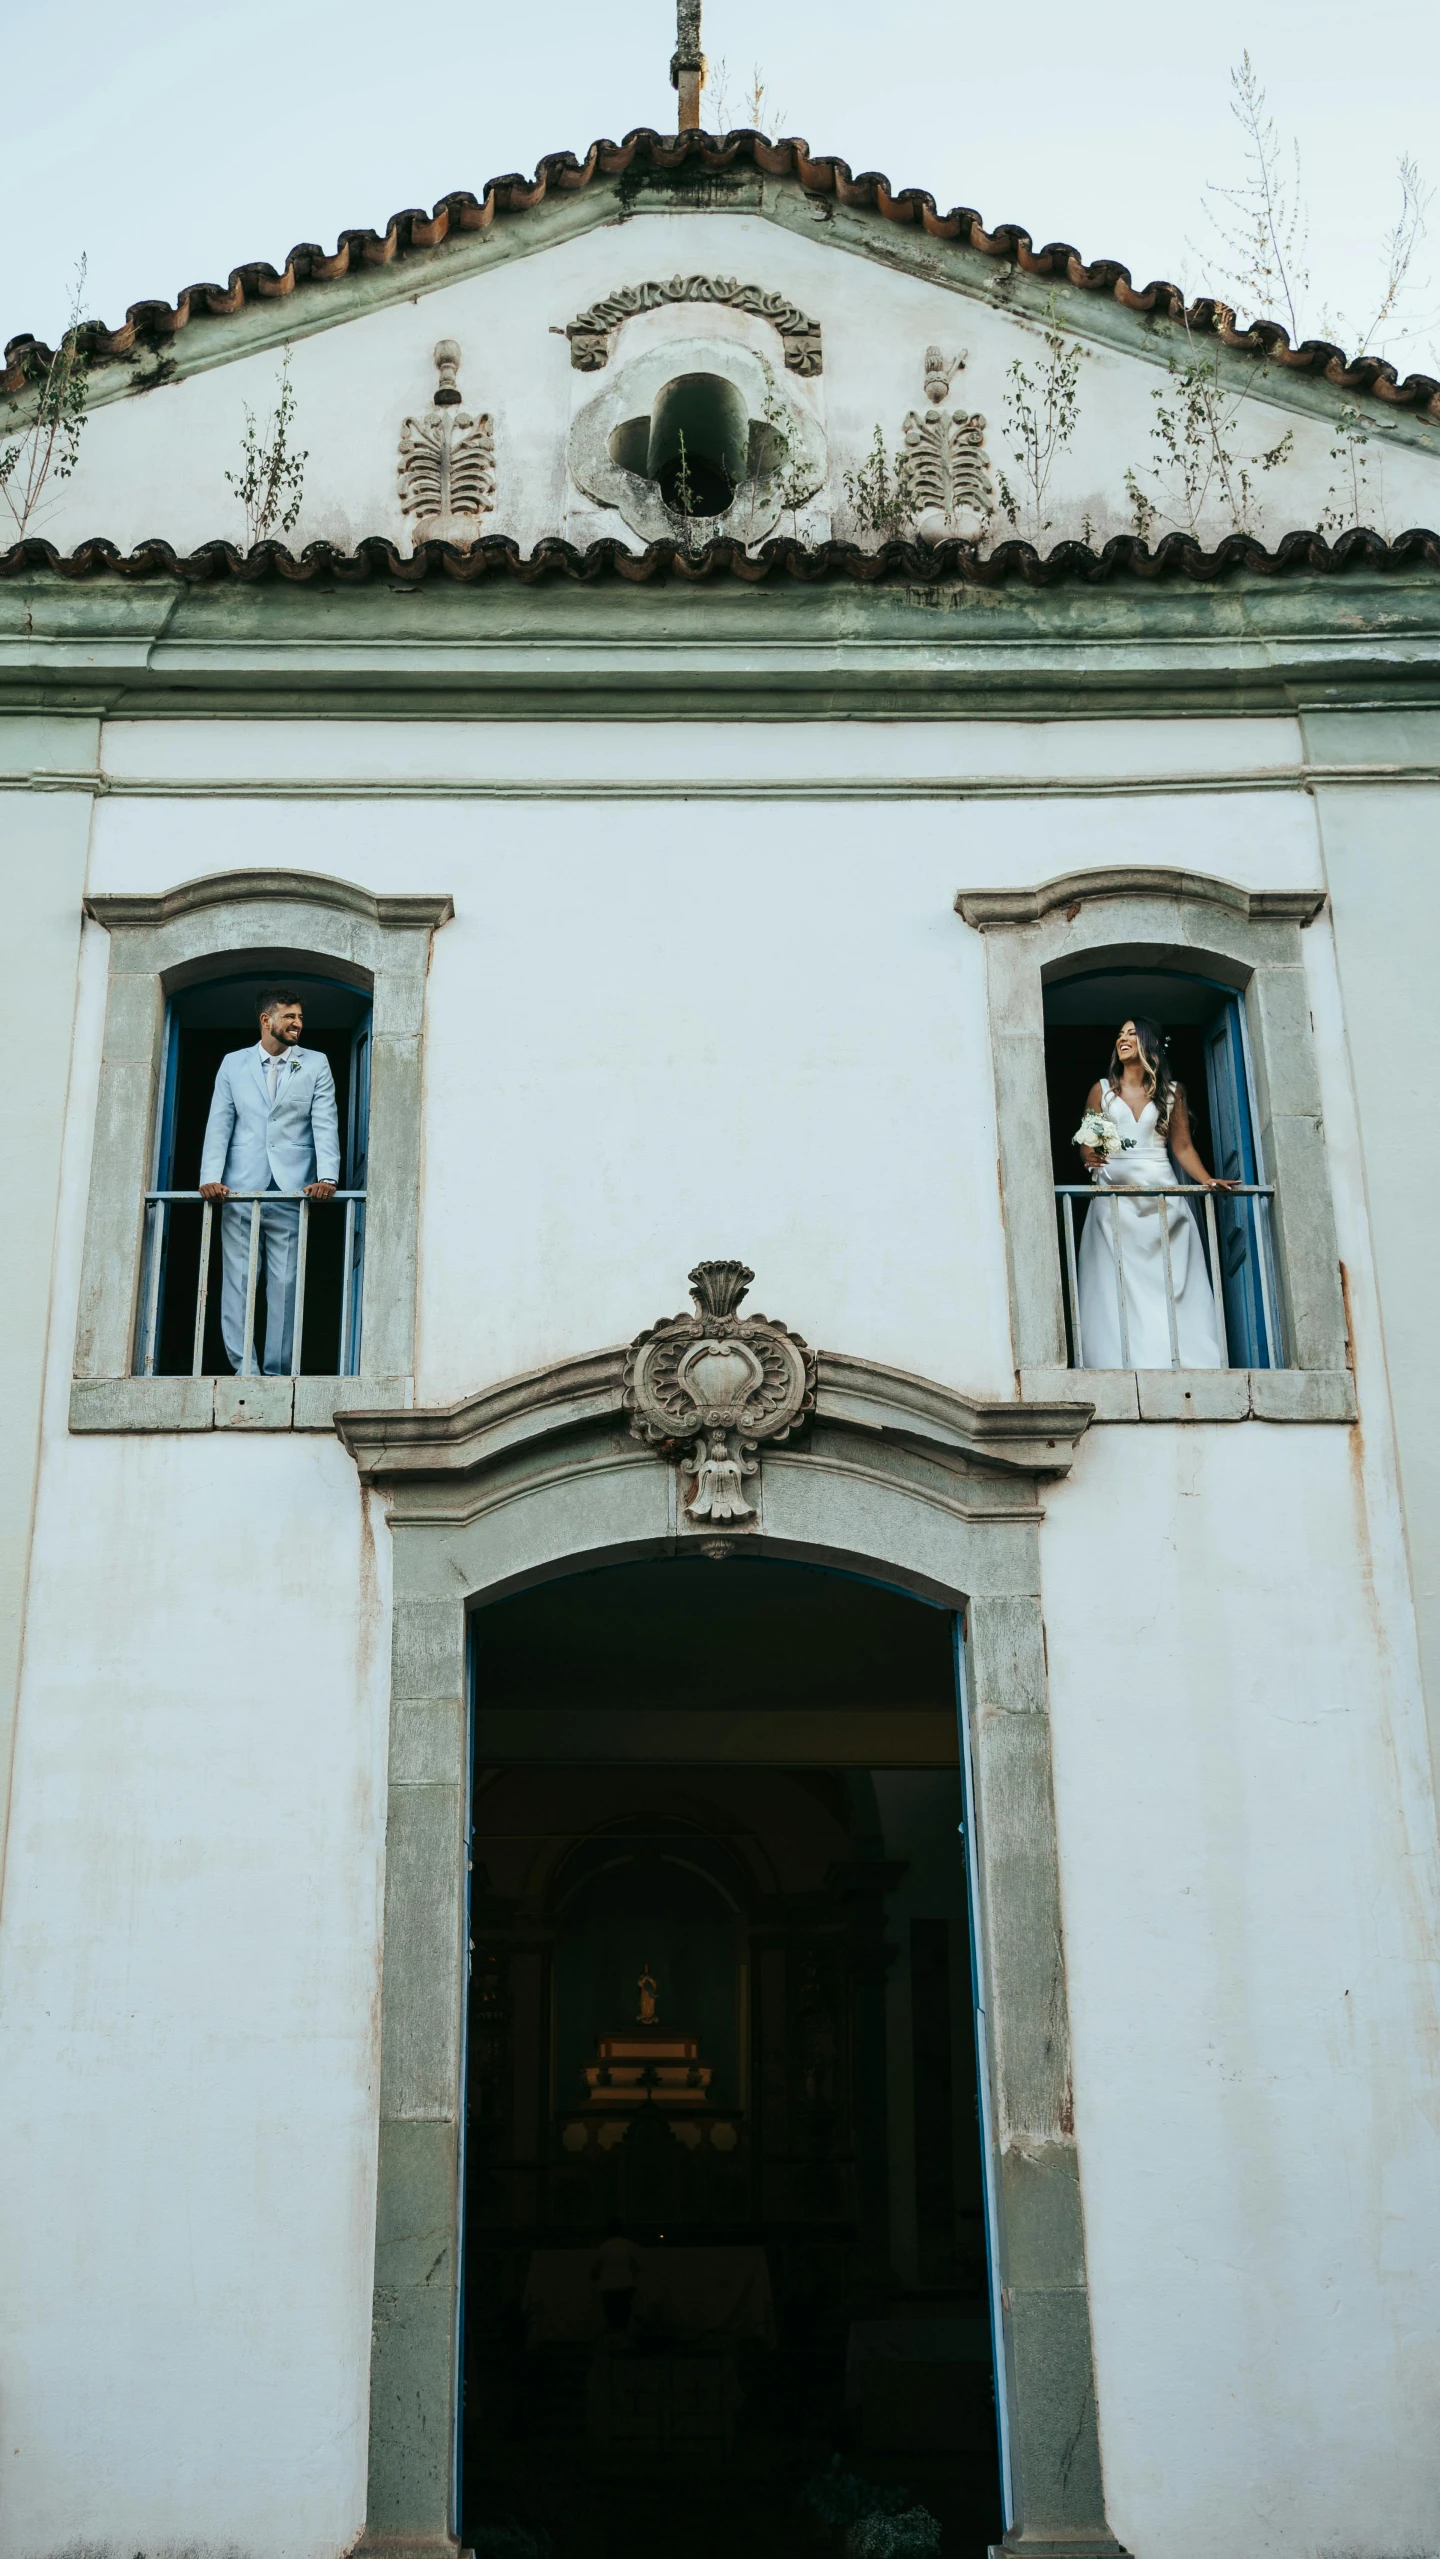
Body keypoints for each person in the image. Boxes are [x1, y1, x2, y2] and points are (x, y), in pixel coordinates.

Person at [1074, 1016, 1230, 1369]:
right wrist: (1090, 1156)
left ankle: (1184, 1357)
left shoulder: (1173, 1092)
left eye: (1131, 1033)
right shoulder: (1102, 1091)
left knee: (1168, 1283)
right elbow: (1087, 1141)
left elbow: (1183, 1147)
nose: (1123, 1039)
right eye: (1120, 1035)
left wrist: (1207, 1179)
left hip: (1162, 1194)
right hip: (1114, 1199)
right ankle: (1117, 1360)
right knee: (1116, 1285)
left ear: (1150, 1043)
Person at [199, 988, 340, 1376]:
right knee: (239, 1280)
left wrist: (326, 1176)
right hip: (239, 1189)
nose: (298, 1024)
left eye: (300, 1018)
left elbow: (324, 1120)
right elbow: (220, 1121)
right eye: (290, 1017)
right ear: (266, 1020)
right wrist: (211, 1177)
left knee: (285, 1282)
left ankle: (277, 1369)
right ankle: (244, 1366)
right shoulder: (233, 1063)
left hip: (291, 1189)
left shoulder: (316, 1064)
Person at [590, 2218, 642, 2335]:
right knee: (624, 2317)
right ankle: (623, 2340)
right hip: (627, 2285)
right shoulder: (629, 2245)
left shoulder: (604, 2247)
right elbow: (638, 2266)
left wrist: (595, 2277)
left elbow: (596, 2267)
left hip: (608, 2287)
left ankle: (615, 2341)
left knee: (612, 2318)